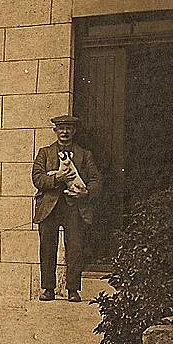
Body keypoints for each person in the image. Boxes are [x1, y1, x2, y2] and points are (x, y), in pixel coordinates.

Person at [31, 115, 102, 302]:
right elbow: (37, 178)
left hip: (74, 207)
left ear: (74, 131)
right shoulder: (44, 153)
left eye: (69, 128)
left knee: (75, 248)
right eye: (61, 128)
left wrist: (85, 193)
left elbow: (96, 180)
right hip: (49, 207)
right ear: (55, 131)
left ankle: (72, 289)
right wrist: (57, 179)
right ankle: (48, 288)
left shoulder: (84, 155)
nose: (65, 132)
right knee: (47, 248)